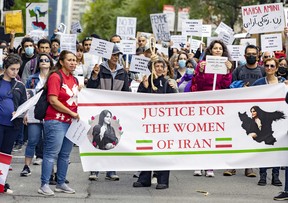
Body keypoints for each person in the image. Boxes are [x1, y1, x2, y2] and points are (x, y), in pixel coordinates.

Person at [38, 50, 79, 196]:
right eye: (69, 60)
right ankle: (44, 184)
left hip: (70, 122)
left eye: (75, 60)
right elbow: (53, 100)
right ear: (61, 62)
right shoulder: (55, 77)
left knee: (65, 155)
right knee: (51, 153)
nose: (73, 63)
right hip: (55, 121)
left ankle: (61, 183)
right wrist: (71, 112)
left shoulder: (74, 80)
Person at [86, 44, 129, 181]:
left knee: (113, 139)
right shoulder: (100, 69)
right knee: (97, 138)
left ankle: (111, 171)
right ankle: (95, 170)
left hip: (115, 111)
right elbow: (90, 88)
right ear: (107, 56)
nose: (115, 57)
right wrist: (94, 76)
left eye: (117, 55)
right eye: (113, 55)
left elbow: (126, 92)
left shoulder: (123, 72)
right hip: (99, 109)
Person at [133, 56, 175, 190]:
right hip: (148, 123)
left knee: (163, 151)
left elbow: (174, 101)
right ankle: (144, 178)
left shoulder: (168, 83)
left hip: (163, 124)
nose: (159, 68)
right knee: (146, 149)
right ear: (152, 68)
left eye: (162, 66)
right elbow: (138, 100)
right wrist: (145, 87)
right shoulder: (146, 81)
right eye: (156, 66)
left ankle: (163, 180)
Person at [192, 40, 233, 177]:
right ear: (210, 51)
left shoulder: (226, 65)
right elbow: (197, 83)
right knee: (201, 135)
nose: (217, 50)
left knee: (213, 136)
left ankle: (210, 166)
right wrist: (201, 72)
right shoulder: (201, 65)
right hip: (203, 103)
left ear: (223, 51)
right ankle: (198, 164)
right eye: (215, 48)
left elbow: (226, 85)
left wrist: (228, 71)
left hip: (217, 104)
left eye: (220, 49)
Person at [225, 44, 265, 177]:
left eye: (254, 54)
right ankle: (233, 166)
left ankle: (249, 167)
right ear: (244, 56)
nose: (251, 56)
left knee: (251, 137)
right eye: (249, 54)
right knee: (237, 137)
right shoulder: (238, 70)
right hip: (240, 109)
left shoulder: (263, 70)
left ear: (258, 56)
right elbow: (231, 87)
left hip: (256, 110)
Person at [20, 53, 54, 177]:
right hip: (33, 112)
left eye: (46, 60)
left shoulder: (54, 77)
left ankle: (50, 171)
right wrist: (25, 113)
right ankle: (26, 167)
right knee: (33, 140)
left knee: (49, 142)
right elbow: (27, 97)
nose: (44, 62)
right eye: (41, 60)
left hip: (50, 112)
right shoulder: (32, 79)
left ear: (51, 63)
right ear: (38, 64)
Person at [0, 54, 27, 194]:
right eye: (12, 69)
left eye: (17, 69)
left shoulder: (20, 85)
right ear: (5, 68)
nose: (15, 72)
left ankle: (2, 182)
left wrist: (20, 113)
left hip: (13, 126)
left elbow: (24, 104)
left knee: (5, 155)